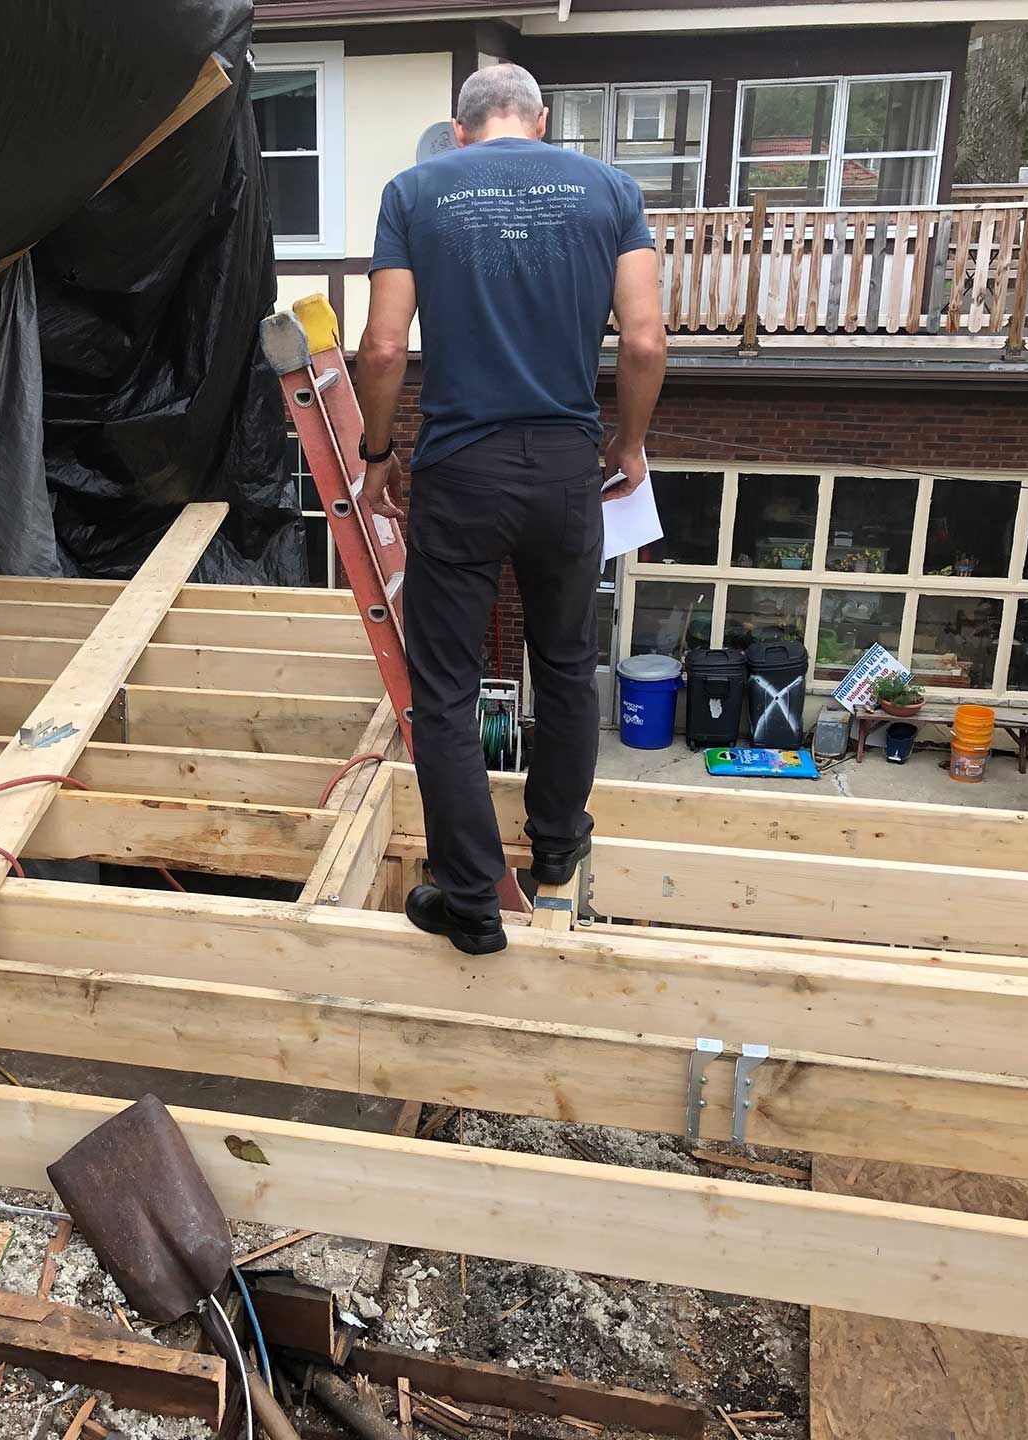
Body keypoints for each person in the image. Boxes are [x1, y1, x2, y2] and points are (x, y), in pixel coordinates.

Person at [354, 63, 667, 954]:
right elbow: (644, 341)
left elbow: (382, 346)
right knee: (566, 666)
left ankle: (470, 903)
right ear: (541, 121)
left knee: (446, 690)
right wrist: (630, 444)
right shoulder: (610, 190)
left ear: (460, 130)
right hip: (569, 466)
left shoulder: (414, 190)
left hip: (460, 467)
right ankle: (558, 850)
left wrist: (378, 455)